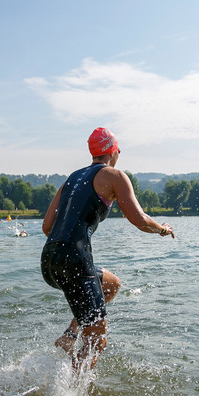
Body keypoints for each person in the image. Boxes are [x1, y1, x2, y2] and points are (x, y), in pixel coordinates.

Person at [41, 127, 174, 372]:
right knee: (97, 341)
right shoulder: (114, 176)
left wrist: (71, 248)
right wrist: (162, 229)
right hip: (74, 259)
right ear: (113, 151)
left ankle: (70, 334)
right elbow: (140, 219)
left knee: (111, 284)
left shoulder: (72, 178)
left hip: (49, 260)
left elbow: (47, 226)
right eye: (118, 149)